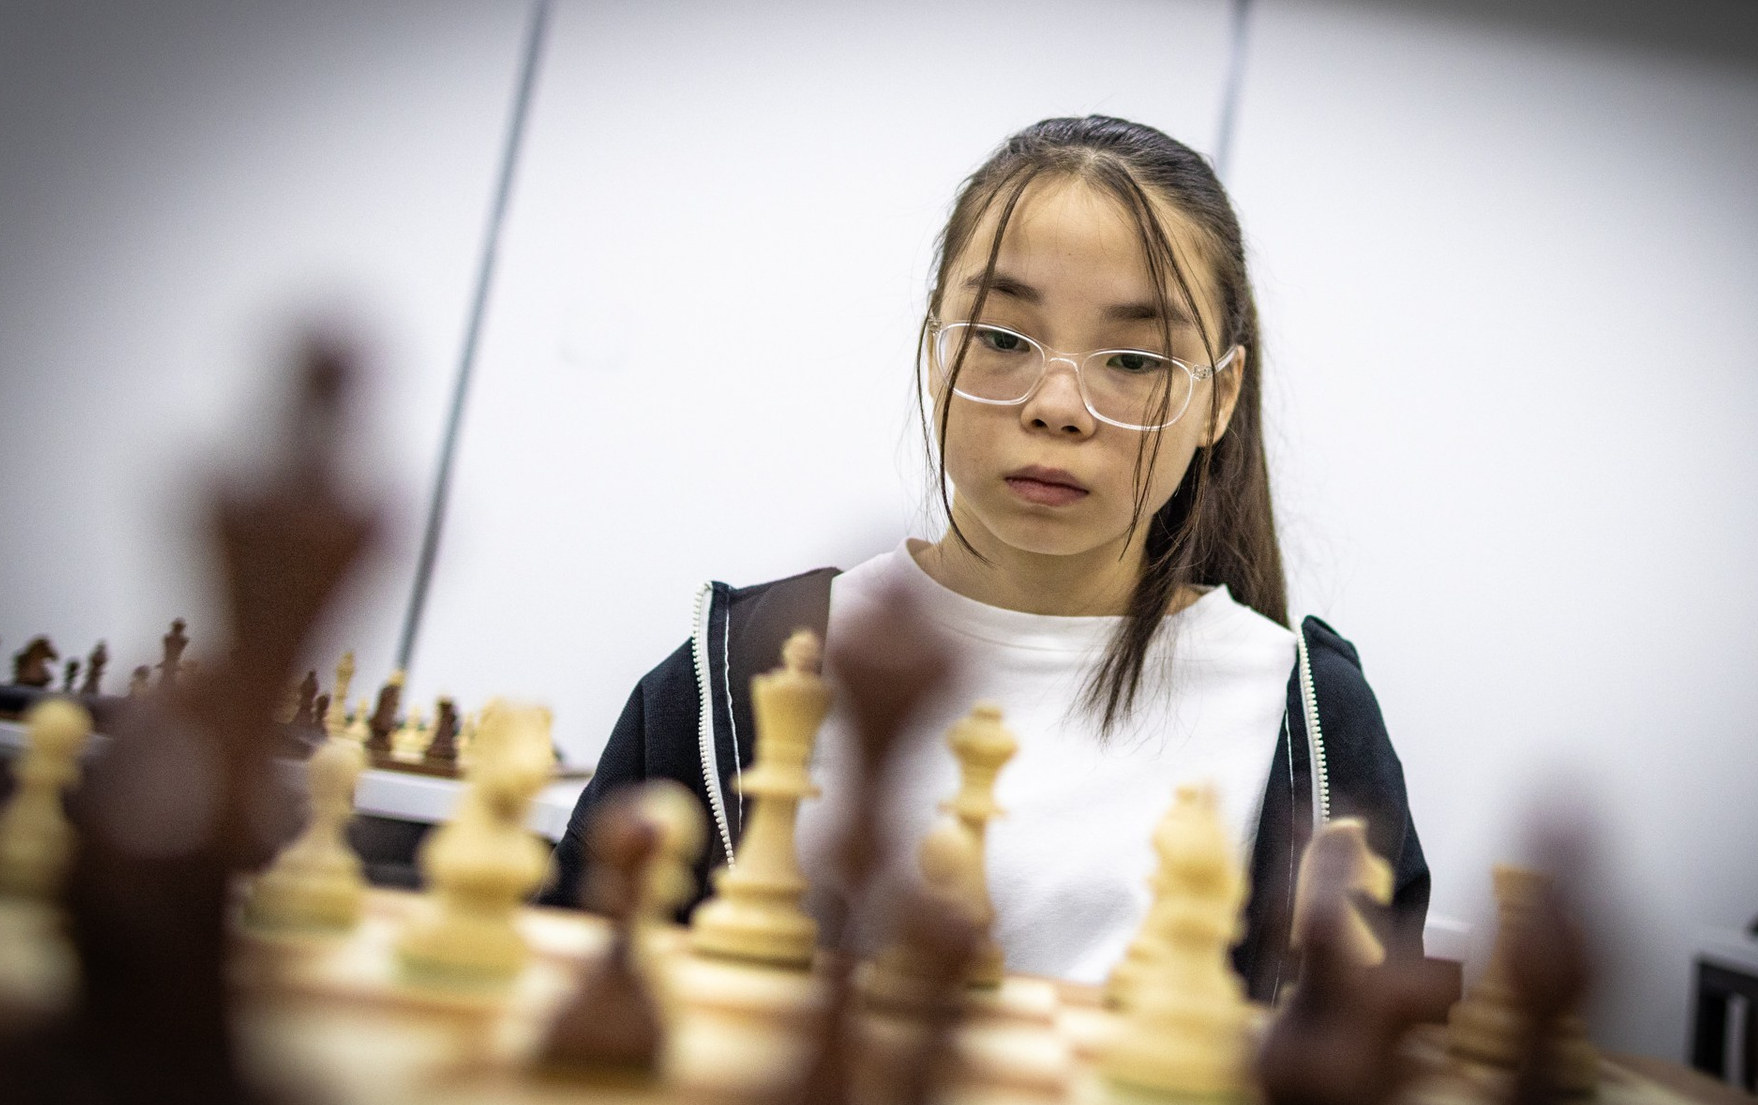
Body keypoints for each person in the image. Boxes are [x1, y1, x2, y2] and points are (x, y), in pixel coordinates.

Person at [546, 116, 1428, 1000]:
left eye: (1132, 360)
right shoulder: (741, 665)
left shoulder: (1309, 718)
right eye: (1003, 339)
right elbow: (570, 990)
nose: (1058, 406)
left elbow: (1354, 1052)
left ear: (1219, 398)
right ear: (936, 347)